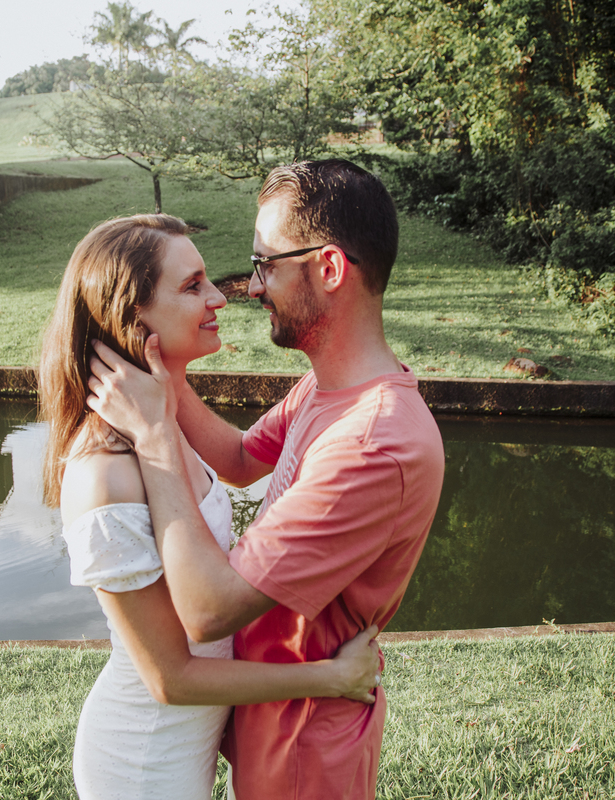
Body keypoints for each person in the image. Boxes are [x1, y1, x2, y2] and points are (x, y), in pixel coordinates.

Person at [86, 160, 446, 799]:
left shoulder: (371, 444)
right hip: (268, 722)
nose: (250, 287)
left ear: (328, 269)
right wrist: (159, 368)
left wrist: (155, 436)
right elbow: (241, 458)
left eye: (266, 264)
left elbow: (208, 610)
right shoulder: (328, 388)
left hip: (304, 749)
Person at [39, 213, 384, 800]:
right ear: (135, 317)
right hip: (144, 763)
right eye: (192, 285)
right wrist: (329, 678)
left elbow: (241, 458)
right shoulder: (105, 475)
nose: (220, 298)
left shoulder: (159, 424)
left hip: (188, 748)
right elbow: (170, 678)